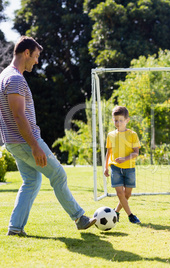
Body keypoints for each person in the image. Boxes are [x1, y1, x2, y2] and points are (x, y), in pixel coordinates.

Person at [0, 36, 96, 236]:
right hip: (25, 141)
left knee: (32, 182)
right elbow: (18, 115)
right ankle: (80, 218)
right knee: (58, 174)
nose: (37, 61)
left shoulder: (5, 76)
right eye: (35, 56)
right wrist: (35, 146)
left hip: (14, 141)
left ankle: (15, 228)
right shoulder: (15, 78)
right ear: (26, 53)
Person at [104, 106, 141, 224]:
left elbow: (136, 153)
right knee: (120, 193)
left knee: (127, 194)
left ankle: (116, 212)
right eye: (115, 120)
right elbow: (108, 152)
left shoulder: (132, 135)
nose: (118, 123)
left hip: (129, 168)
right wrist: (105, 167)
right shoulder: (110, 135)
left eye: (120, 120)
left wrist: (125, 159)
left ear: (127, 120)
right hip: (115, 167)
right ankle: (131, 216)